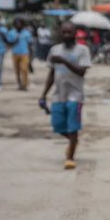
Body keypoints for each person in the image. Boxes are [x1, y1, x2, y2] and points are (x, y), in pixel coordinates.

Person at [39, 22, 92, 170]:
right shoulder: (54, 50)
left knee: (73, 126)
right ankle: (73, 141)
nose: (66, 35)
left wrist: (64, 61)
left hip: (76, 95)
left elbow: (82, 71)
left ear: (75, 34)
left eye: (70, 32)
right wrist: (43, 94)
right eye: (64, 32)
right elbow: (51, 73)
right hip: (58, 95)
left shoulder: (83, 50)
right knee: (58, 125)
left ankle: (70, 157)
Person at [7, 18, 33, 91]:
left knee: (24, 69)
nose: (18, 25)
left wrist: (31, 56)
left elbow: (30, 44)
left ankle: (24, 85)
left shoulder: (26, 33)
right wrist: (15, 40)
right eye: (17, 24)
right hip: (15, 53)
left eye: (20, 23)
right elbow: (9, 43)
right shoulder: (11, 33)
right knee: (17, 70)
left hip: (24, 53)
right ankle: (19, 83)